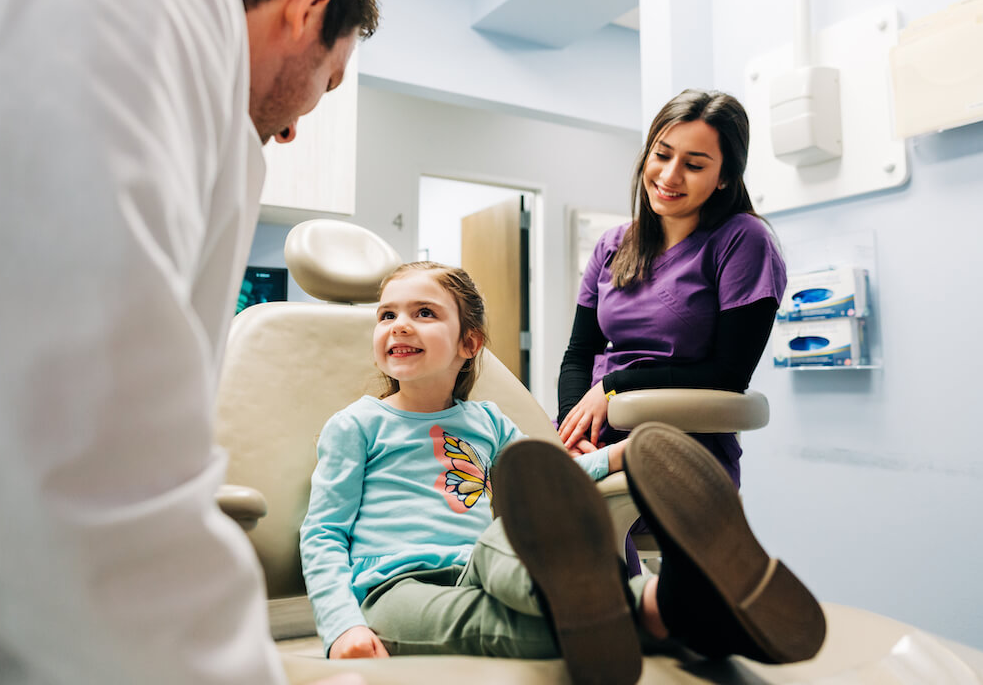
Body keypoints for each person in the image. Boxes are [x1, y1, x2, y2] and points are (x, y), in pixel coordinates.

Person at [0, 0, 377, 683]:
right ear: (309, 8)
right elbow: (69, 454)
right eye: (327, 83)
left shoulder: (144, 34)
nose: (302, 120)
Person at [299, 262, 824, 685]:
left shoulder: (486, 420)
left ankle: (656, 601)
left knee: (518, 530)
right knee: (527, 630)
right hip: (395, 586)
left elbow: (551, 480)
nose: (400, 325)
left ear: (469, 343)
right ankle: (671, 606)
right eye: (386, 315)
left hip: (486, 562)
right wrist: (341, 624)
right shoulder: (358, 424)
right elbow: (322, 533)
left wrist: (622, 457)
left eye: (424, 313)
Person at [556, 88, 786, 490]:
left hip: (681, 445)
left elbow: (728, 374)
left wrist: (613, 386)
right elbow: (579, 354)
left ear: (724, 177)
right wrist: (571, 429)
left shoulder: (742, 240)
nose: (669, 176)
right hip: (592, 438)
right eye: (661, 155)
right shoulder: (612, 245)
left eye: (694, 165)